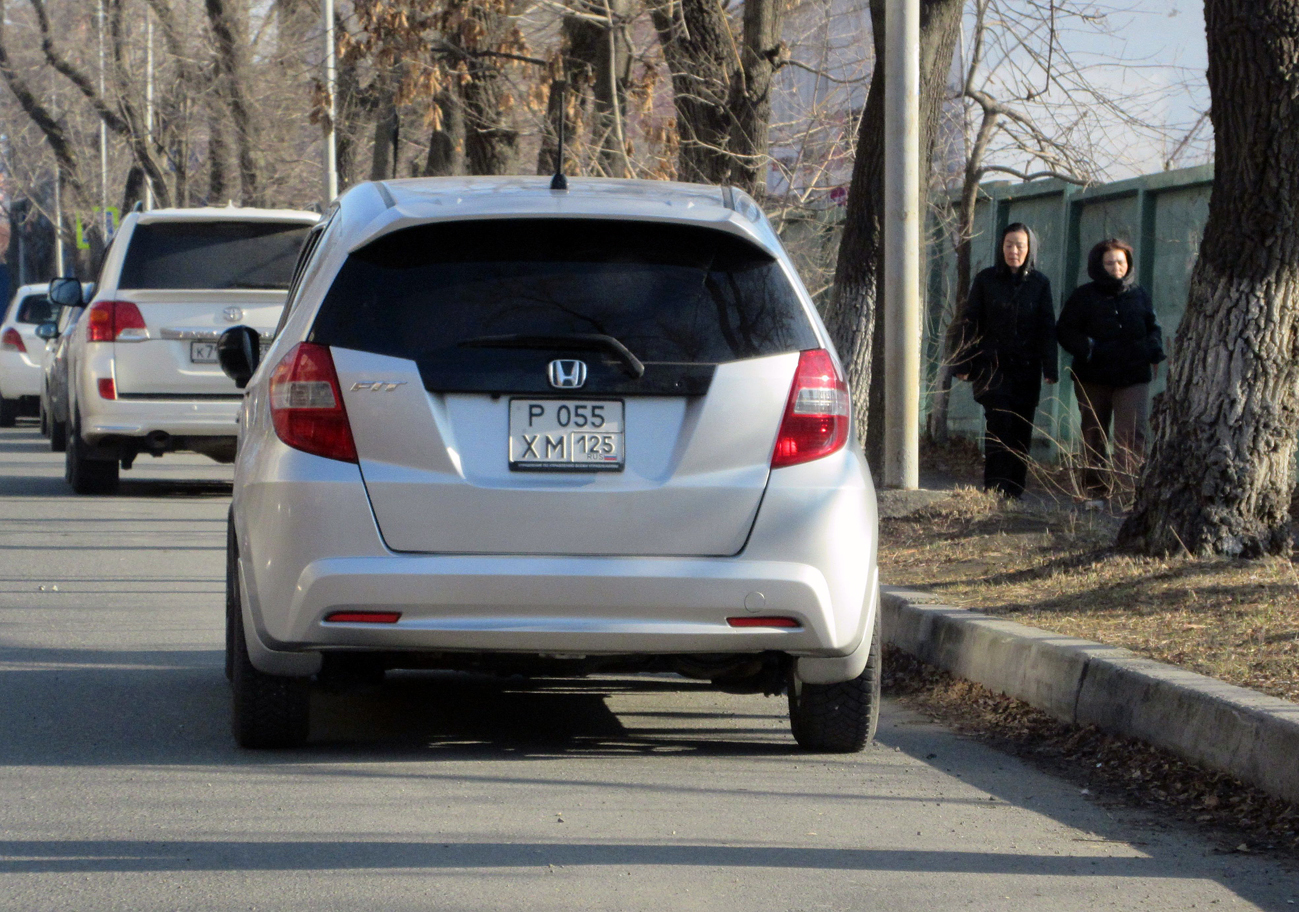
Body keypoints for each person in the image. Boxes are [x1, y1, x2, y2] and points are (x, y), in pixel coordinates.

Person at [1056, 238, 1165, 505]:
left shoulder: (1139, 294)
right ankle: (1095, 492)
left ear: (1128, 263)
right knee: (1094, 433)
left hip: (1133, 377)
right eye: (1109, 262)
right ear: (1098, 265)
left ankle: (1128, 495)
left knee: (1132, 435)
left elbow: (1152, 327)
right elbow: (1065, 331)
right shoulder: (1084, 296)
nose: (1116, 267)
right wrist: (1089, 348)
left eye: (1120, 261)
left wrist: (1153, 349)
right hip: (1094, 377)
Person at [954, 223, 1058, 498]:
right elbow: (970, 322)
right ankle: (994, 489)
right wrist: (962, 363)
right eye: (1009, 245)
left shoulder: (1039, 283)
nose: (1014, 251)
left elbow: (1047, 327)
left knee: (1022, 429)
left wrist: (1050, 367)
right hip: (993, 368)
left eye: (1020, 246)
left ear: (1029, 249)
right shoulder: (986, 280)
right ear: (1001, 248)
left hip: (1026, 369)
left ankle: (1014, 491)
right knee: (998, 426)